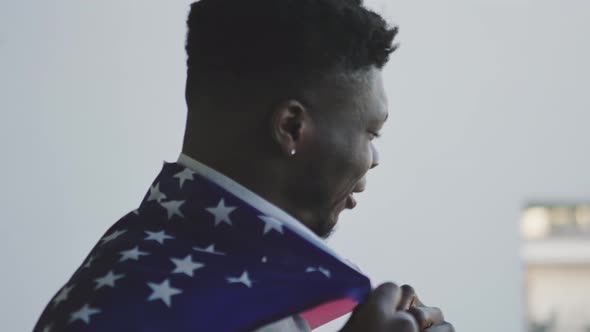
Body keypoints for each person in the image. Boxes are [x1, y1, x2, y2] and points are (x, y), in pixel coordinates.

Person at [34, 0, 454, 331]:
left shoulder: (135, 263)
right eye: (371, 133)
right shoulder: (145, 311)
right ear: (291, 126)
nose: (374, 158)